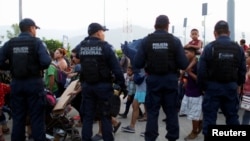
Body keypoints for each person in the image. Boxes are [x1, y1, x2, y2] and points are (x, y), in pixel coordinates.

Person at [134, 15, 189, 141]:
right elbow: (184, 64)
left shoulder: (146, 41)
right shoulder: (174, 41)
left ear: (155, 26)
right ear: (167, 26)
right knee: (171, 113)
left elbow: (137, 63)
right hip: (170, 81)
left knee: (152, 113)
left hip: (153, 81)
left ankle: (151, 138)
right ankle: (172, 138)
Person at [0, 18, 51, 141]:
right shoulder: (37, 43)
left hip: (17, 84)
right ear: (31, 28)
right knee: (37, 118)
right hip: (34, 84)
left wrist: (11, 66)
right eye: (35, 29)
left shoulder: (10, 43)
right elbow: (46, 61)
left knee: (18, 118)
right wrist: (34, 66)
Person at [74, 22, 127, 141]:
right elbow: (117, 69)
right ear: (98, 32)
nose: (103, 34)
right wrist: (123, 86)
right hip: (103, 86)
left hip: (87, 86)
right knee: (105, 116)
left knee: (88, 117)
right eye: (103, 31)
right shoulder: (105, 46)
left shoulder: (82, 45)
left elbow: (75, 54)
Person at [197, 20, 246, 141]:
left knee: (209, 119)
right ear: (228, 32)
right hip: (230, 87)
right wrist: (238, 84)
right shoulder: (238, 49)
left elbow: (201, 71)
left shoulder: (209, 47)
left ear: (215, 33)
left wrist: (203, 87)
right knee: (232, 118)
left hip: (212, 88)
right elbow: (242, 70)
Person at [179, 47, 203, 140]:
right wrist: (185, 81)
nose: (185, 55)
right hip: (188, 91)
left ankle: (194, 132)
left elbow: (200, 79)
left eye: (186, 53)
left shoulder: (198, 64)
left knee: (194, 115)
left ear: (193, 53)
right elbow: (185, 75)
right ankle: (200, 123)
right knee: (191, 114)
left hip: (196, 93)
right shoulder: (188, 63)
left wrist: (189, 72)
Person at [241, 50, 250, 125]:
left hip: (248, 94)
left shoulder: (248, 71)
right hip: (247, 94)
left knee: (247, 115)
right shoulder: (247, 70)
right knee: (247, 114)